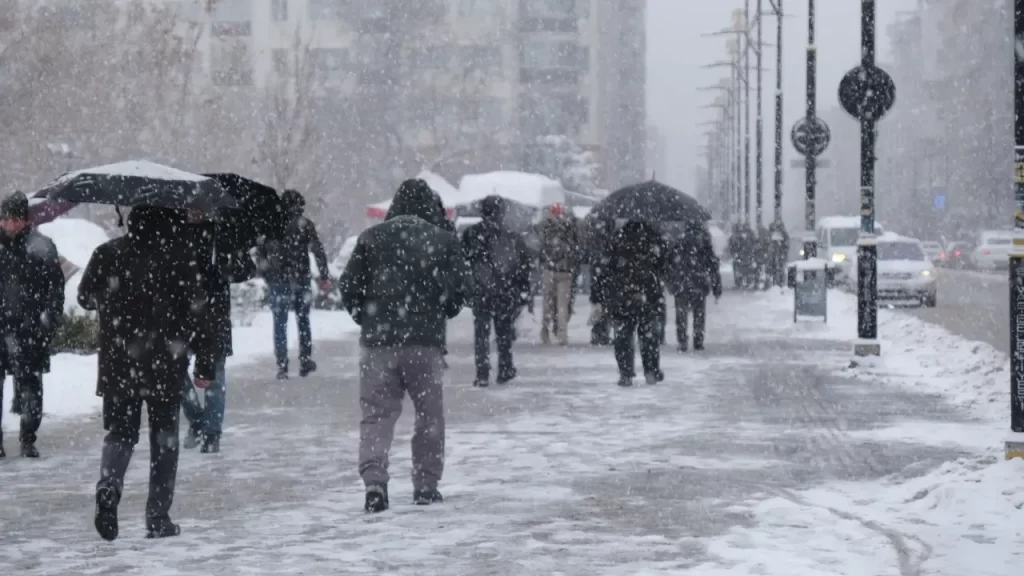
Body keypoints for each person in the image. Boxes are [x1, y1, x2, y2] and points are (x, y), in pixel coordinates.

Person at [78, 206, 217, 541]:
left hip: (119, 364)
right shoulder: (182, 259)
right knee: (164, 442)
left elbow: (84, 297)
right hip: (165, 366)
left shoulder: (107, 253)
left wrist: (110, 299)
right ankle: (157, 517)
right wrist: (205, 363)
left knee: (120, 434)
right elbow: (200, 314)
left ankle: (109, 485)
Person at [339, 178, 469, 513]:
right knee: (429, 417)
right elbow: (459, 293)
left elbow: (349, 286)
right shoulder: (443, 240)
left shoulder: (370, 238)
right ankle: (425, 485)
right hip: (424, 343)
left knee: (376, 415)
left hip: (378, 342)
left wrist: (366, 317)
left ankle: (375, 482)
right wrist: (439, 310)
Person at [180, 213, 256, 453]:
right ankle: (197, 419)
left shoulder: (224, 234)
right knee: (175, 371)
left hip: (215, 313)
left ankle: (212, 433)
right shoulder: (175, 232)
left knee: (215, 375)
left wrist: (224, 271)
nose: (194, 212)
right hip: (182, 314)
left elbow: (246, 269)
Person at [0, 191, 64, 458]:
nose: (11, 224)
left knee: (30, 387)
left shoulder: (42, 247)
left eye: (16, 219)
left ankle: (28, 436)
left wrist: (46, 323)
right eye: (6, 218)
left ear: (25, 220)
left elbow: (55, 290)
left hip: (30, 329)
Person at [255, 188, 331, 380]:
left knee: (280, 322)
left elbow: (261, 252)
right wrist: (323, 276)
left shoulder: (272, 224)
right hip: (301, 278)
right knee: (303, 320)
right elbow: (318, 251)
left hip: (278, 280)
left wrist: (266, 273)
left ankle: (282, 365)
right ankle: (305, 359)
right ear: (300, 205)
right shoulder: (304, 224)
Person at [461, 195, 532, 387]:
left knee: (481, 334)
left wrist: (468, 287)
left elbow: (463, 262)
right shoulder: (510, 235)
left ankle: (482, 372)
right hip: (504, 291)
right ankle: (505, 368)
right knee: (504, 334)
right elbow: (523, 266)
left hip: (481, 290)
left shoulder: (471, 234)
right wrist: (522, 291)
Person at [603, 220, 668, 387]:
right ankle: (650, 370)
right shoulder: (653, 240)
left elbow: (606, 270)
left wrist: (606, 294)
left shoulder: (617, 239)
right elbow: (663, 267)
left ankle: (626, 373)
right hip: (648, 294)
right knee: (649, 337)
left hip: (623, 295)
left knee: (623, 336)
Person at [667, 222, 723, 351]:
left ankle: (682, 341)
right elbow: (713, 265)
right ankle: (698, 340)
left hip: (682, 282)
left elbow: (670, 263)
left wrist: (671, 281)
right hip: (699, 281)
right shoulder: (704, 240)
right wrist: (716, 287)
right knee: (699, 313)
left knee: (681, 314)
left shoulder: (679, 240)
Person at [537, 205, 580, 345]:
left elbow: (539, 246)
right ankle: (562, 334)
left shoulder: (545, 227)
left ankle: (546, 331)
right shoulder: (570, 227)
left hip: (550, 270)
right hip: (564, 271)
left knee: (548, 304)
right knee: (562, 305)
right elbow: (576, 248)